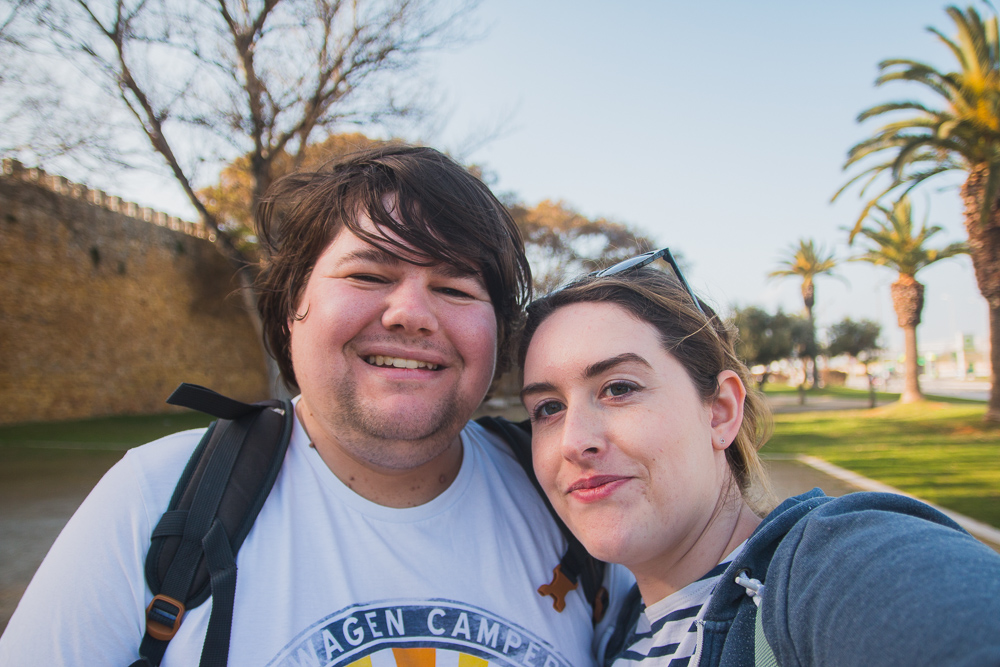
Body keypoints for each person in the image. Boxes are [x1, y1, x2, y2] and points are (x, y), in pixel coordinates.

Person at [0, 145, 628, 666]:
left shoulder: (575, 498)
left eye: (455, 287)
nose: (410, 312)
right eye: (368, 275)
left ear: (499, 334)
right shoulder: (154, 501)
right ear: (292, 306)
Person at [518, 250, 1000, 666]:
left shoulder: (826, 571)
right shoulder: (615, 635)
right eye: (548, 408)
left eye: (619, 388)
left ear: (721, 411)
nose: (572, 441)